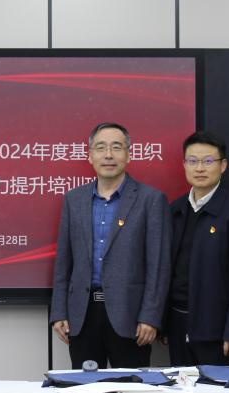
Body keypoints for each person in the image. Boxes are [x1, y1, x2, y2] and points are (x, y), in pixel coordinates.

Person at [50, 122, 171, 369]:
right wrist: (59, 311)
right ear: (90, 155)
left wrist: (150, 316)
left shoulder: (151, 200)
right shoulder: (74, 200)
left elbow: (158, 266)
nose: (108, 155)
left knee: (129, 390)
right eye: (101, 148)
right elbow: (64, 262)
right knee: (85, 389)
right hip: (82, 315)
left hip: (131, 317)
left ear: (128, 154)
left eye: (116, 147)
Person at [167, 130, 229, 368]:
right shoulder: (176, 210)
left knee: (219, 390)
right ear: (184, 165)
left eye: (208, 161)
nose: (200, 168)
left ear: (223, 165)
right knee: (180, 390)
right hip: (177, 326)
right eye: (193, 161)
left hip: (218, 331)